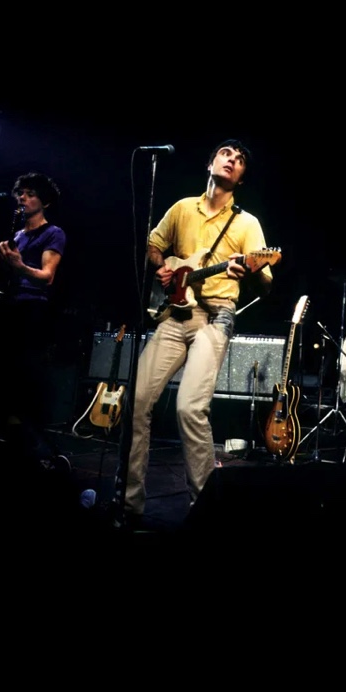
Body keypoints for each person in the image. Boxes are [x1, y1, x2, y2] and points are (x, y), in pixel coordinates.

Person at [120, 138, 274, 529]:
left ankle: (207, 510)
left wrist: (252, 270)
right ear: (211, 163)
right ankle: (129, 503)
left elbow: (266, 282)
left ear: (241, 178)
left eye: (240, 160)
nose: (232, 160)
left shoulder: (247, 223)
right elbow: (154, 244)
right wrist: (163, 267)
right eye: (226, 154)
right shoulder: (182, 208)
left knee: (190, 407)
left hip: (217, 314)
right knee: (136, 401)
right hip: (175, 315)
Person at [0, 171, 68, 474]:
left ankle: (38, 451)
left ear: (44, 201)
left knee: (26, 379)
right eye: (20, 193)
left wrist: (19, 265)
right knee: (2, 378)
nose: (23, 198)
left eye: (30, 194)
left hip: (32, 312)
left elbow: (46, 276)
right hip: (9, 308)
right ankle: (8, 443)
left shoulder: (53, 233)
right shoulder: (18, 236)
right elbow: (11, 278)